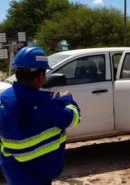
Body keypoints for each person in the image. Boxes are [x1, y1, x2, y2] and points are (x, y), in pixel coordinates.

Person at [0, 46, 81, 184]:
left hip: (13, 174)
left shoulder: (3, 99)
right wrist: (67, 99)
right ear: (40, 77)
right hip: (38, 178)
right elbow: (73, 118)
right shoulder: (45, 104)